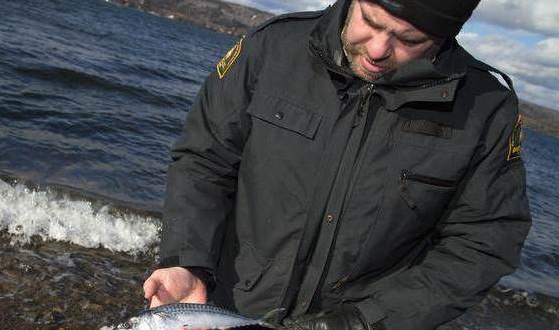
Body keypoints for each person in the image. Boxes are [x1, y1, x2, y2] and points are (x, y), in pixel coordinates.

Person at [143, 0, 532, 329]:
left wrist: (364, 321)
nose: (378, 50)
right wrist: (186, 262)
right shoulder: (272, 48)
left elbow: (484, 243)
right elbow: (203, 161)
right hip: (227, 309)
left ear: (445, 37)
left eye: (409, 40)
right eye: (371, 22)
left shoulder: (486, 110)